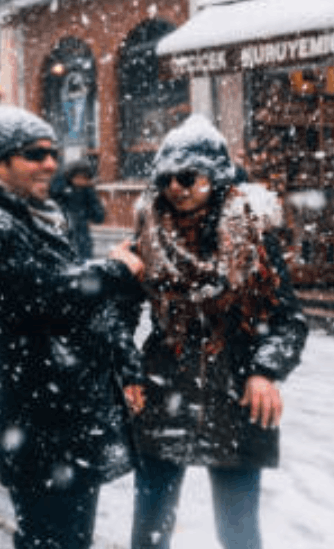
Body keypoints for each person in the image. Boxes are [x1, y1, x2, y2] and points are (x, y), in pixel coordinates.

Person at [0, 105, 146, 549]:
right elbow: (40, 297)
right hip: (39, 422)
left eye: (52, 153)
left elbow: (81, 308)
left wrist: (125, 362)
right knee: (50, 540)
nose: (49, 164)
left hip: (70, 418)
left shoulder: (42, 216)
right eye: (34, 154)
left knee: (71, 538)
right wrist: (114, 272)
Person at [123, 115, 308, 549]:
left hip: (235, 396)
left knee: (239, 532)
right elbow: (119, 316)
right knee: (150, 529)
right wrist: (129, 371)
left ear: (216, 175)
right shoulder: (147, 234)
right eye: (168, 177)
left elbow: (288, 319)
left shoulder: (255, 238)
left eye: (188, 176)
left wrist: (265, 371)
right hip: (163, 393)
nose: (176, 187)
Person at [51, 158, 107, 259]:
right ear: (71, 176)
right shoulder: (57, 188)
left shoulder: (87, 192)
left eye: (85, 178)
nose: (81, 180)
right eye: (79, 177)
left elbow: (99, 217)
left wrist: (94, 207)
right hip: (61, 234)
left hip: (82, 238)